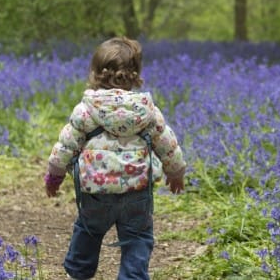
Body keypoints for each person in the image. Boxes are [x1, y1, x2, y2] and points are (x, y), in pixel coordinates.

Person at [44, 37, 186, 280]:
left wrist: (54, 176)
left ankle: (78, 273)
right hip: (136, 193)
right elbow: (168, 145)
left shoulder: (86, 110)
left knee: (88, 230)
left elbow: (65, 146)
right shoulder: (147, 110)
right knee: (138, 238)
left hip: (96, 193)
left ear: (95, 73)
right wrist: (176, 173)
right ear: (136, 75)